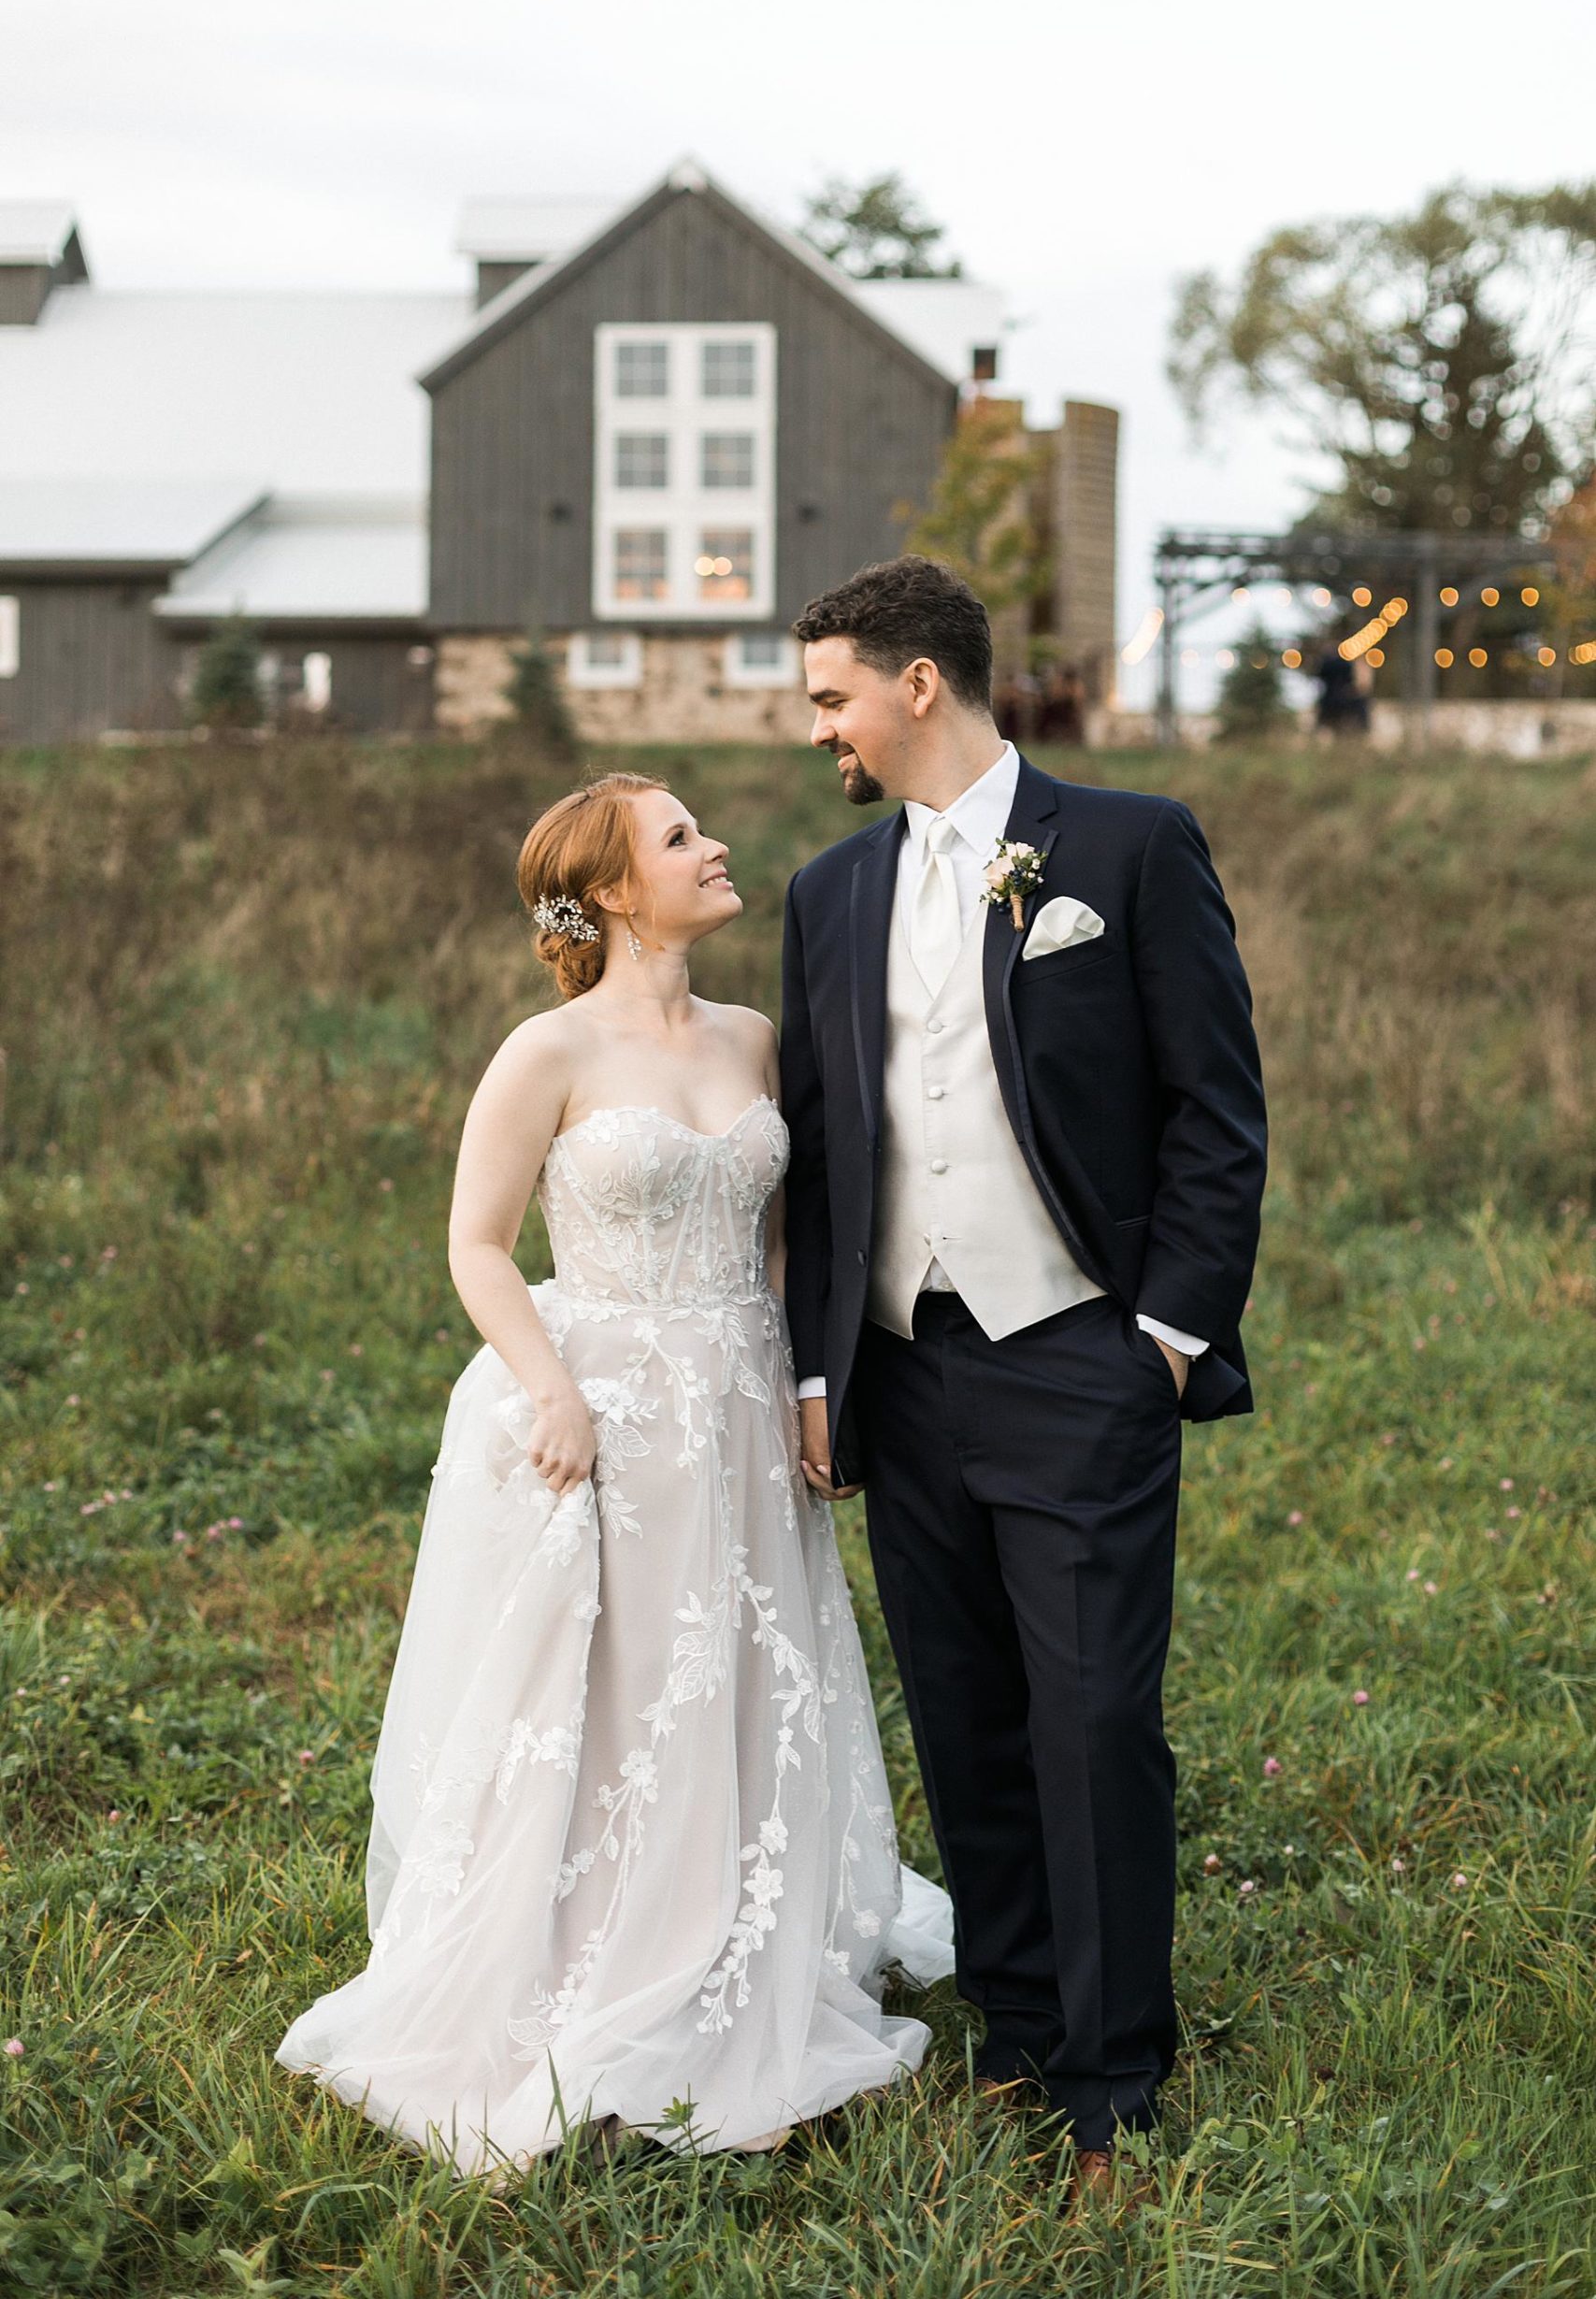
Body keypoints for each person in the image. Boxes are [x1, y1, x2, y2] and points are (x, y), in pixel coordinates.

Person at [274, 770, 954, 2176]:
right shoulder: (547, 1054)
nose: (714, 849)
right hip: (611, 1408)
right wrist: (551, 1389)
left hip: (743, 1409)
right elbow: (475, 1242)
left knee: (746, 1671)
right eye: (680, 837)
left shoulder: (756, 1038)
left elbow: (779, 1228)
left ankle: (740, 1929)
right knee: (624, 1684)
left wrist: (798, 1379)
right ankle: (592, 1953)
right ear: (612, 892)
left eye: (701, 828)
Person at [781, 556, 1267, 2198]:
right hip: (904, 1375)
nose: (820, 730)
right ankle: (1013, 2026)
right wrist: (817, 1373)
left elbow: (1216, 1108)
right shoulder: (830, 891)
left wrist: (1168, 1336)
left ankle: (1115, 2077)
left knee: (1095, 1718)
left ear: (920, 683)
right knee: (969, 1715)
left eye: (833, 695)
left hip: (1079, 1358)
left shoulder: (1128, 846)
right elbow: (834, 1150)